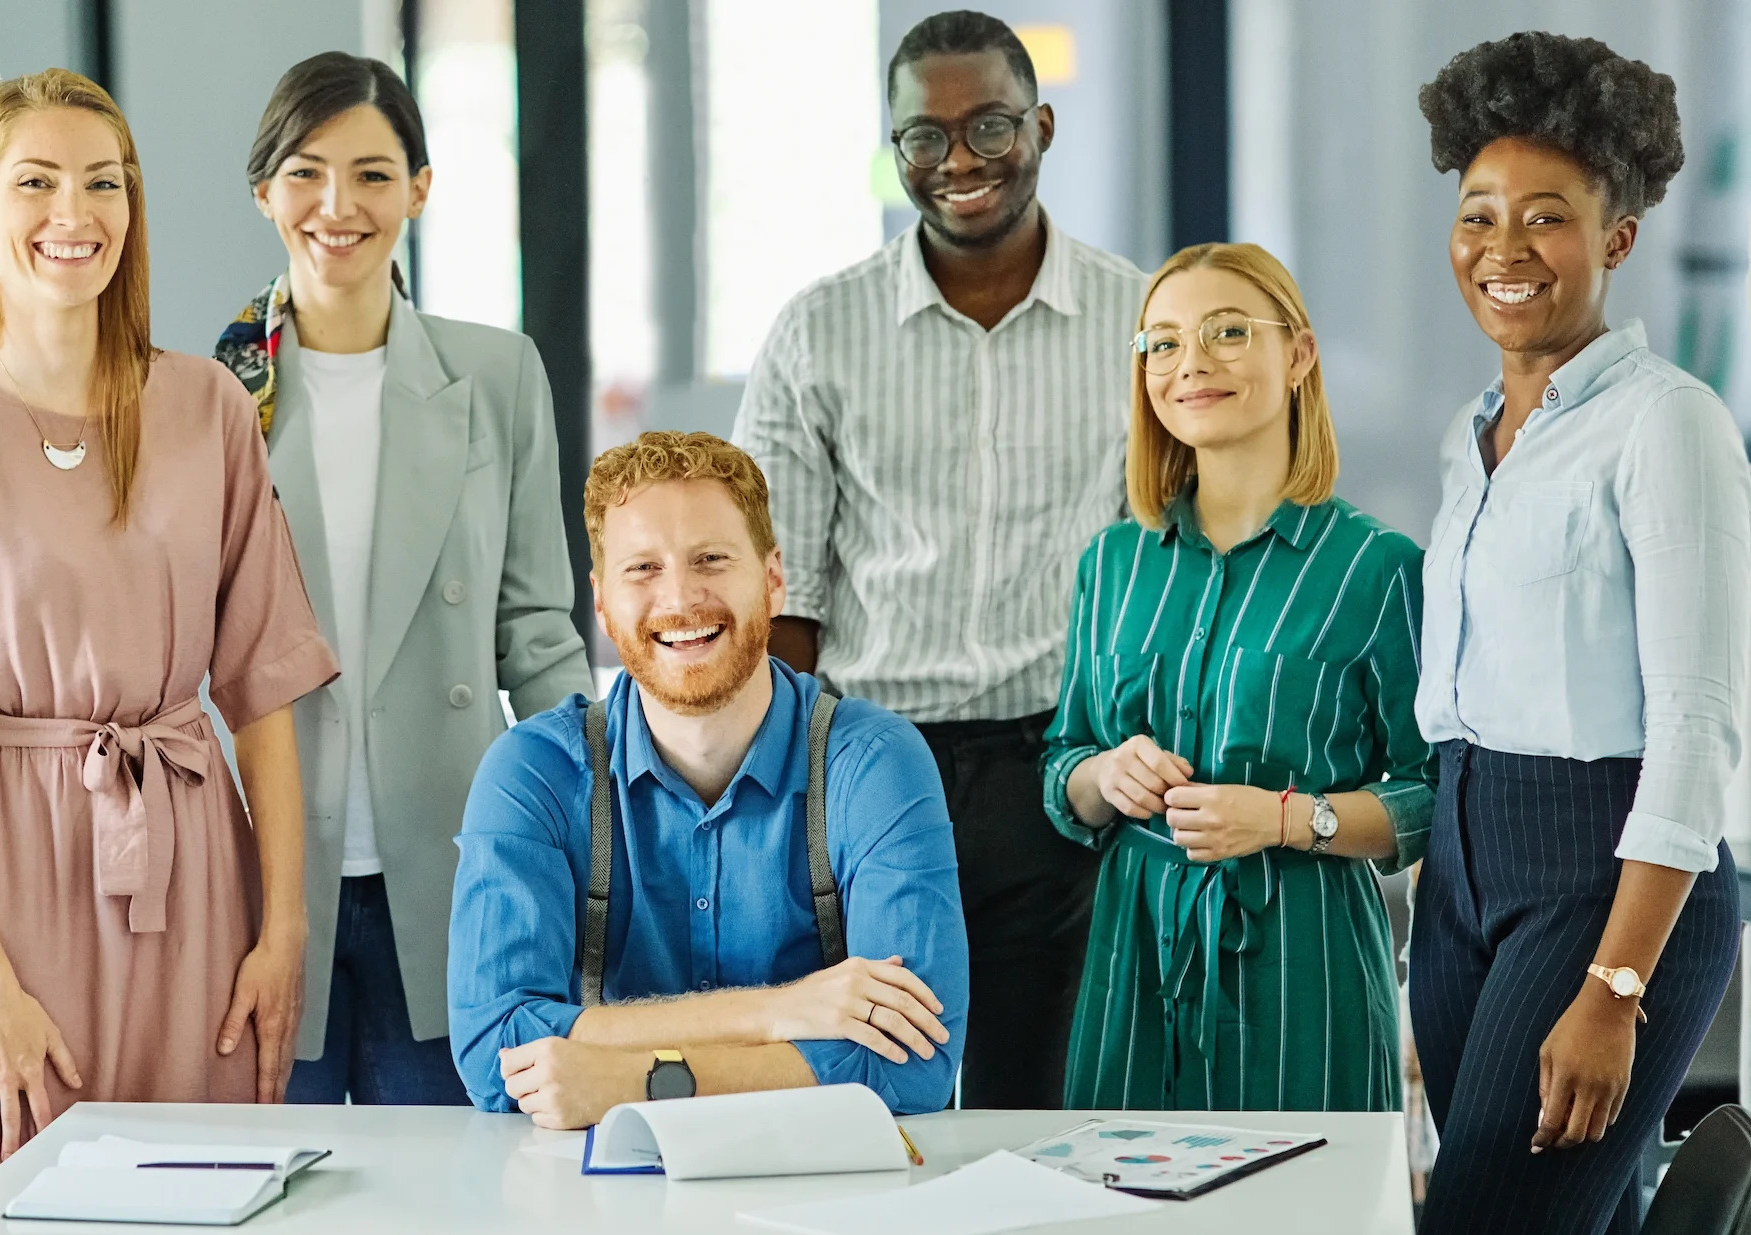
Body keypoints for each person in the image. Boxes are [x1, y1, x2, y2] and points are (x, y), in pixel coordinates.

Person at [0, 70, 337, 1234]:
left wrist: (282, 927)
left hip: (190, 890)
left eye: (103, 183)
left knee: (198, 1192)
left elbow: (262, 685)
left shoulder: (208, 406)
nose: (77, 213)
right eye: (37, 182)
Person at [731, 8, 1145, 1110]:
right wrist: (786, 790)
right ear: (895, 146)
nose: (957, 160)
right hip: (870, 762)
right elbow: (781, 588)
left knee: (1032, 1097)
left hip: (1057, 765)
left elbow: (1161, 562)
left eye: (989, 127)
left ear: (1041, 127)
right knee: (865, 1087)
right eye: (925, 136)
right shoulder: (819, 329)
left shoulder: (1139, 319)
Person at [1408, 34, 1751, 1235]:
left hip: (1595, 870)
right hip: (1462, 868)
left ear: (1615, 237)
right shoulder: (1475, 438)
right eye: (1477, 213)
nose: (1501, 250)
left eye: (1544, 217)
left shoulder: (1667, 425)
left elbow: (1697, 727)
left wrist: (1614, 983)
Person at [213, 52, 591, 1107]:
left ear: (419, 189)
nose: (339, 206)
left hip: (457, 860)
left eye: (374, 174)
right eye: (305, 172)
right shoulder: (204, 395)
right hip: (261, 874)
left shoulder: (496, 373)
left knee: (456, 1192)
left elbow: (537, 631)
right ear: (263, 191)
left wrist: (605, 818)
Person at [447, 432, 967, 1126]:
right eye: (644, 568)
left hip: (827, 1193)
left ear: (774, 578)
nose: (681, 598)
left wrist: (632, 1076)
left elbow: (914, 1061)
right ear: (601, 602)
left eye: (711, 559)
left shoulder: (875, 762)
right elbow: (495, 1047)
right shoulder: (533, 772)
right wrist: (778, 1008)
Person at [1043, 242, 1434, 1113]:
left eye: (1227, 331)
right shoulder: (1112, 563)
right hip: (1132, 958)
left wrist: (1289, 817)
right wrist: (1102, 775)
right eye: (1164, 342)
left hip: (1306, 963)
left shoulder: (1378, 570)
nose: (1192, 364)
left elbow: (1434, 799)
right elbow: (1060, 762)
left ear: (1297, 354)